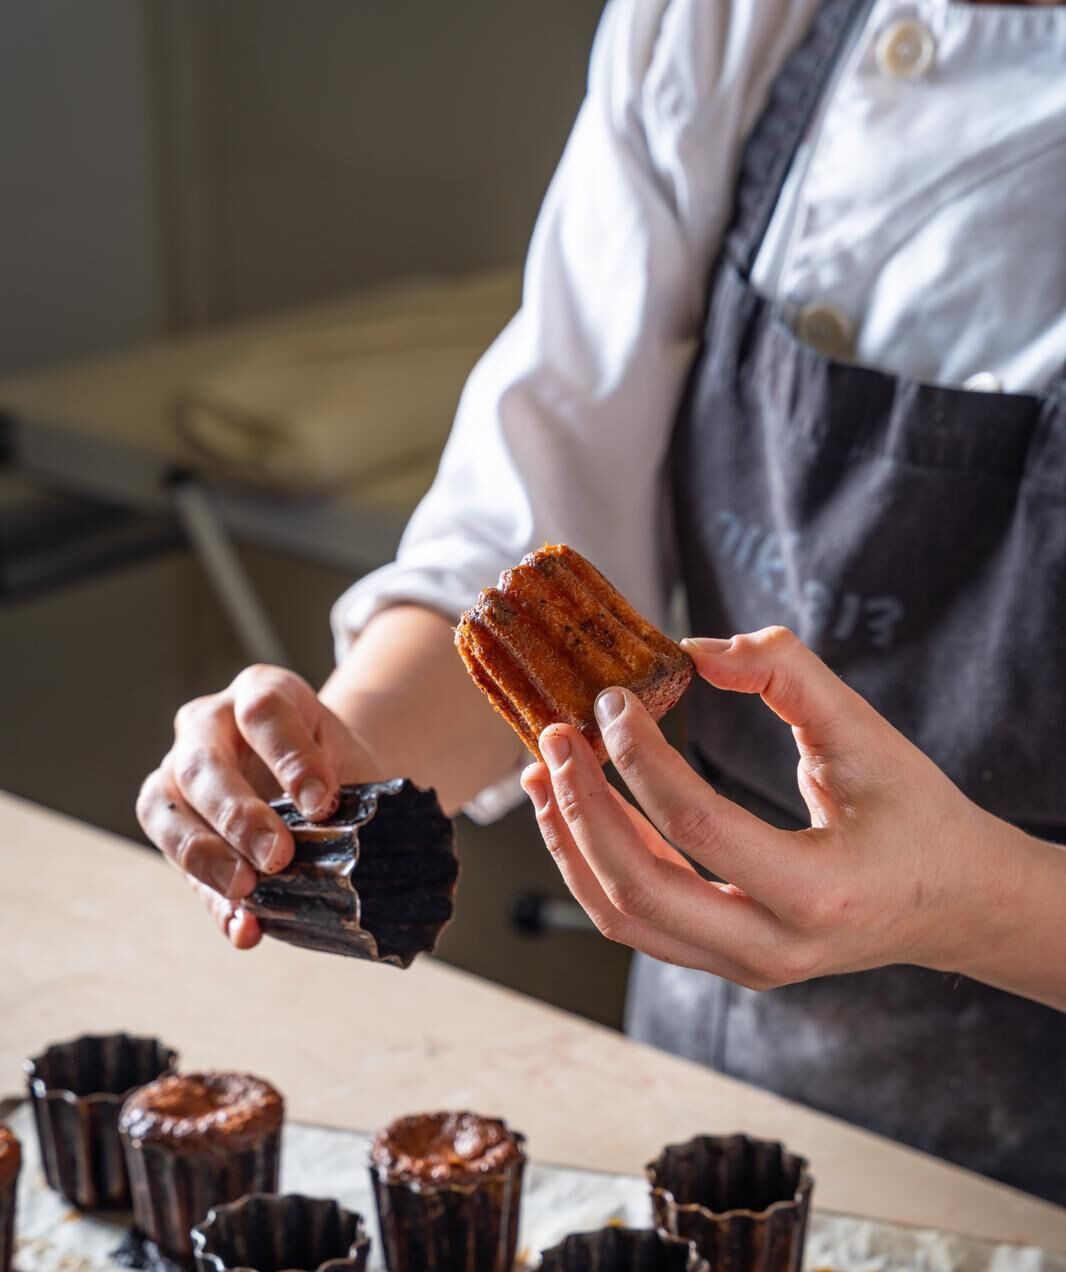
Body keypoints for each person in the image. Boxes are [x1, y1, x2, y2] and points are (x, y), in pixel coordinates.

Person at [138, 0, 1066, 1205]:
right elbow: (542, 530)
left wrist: (965, 904)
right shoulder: (730, 19)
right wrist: (334, 754)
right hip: (713, 1067)